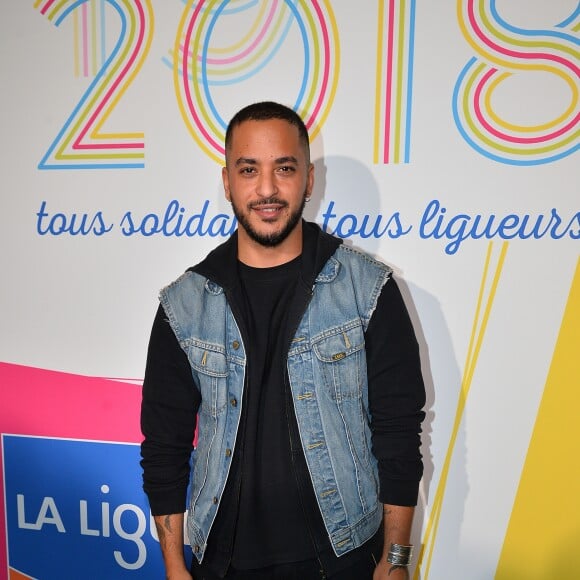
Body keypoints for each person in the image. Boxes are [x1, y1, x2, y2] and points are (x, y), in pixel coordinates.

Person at [140, 101, 426, 580]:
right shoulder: (183, 305)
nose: (267, 189)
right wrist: (174, 565)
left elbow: (398, 432)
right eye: (249, 169)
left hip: (345, 557)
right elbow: (164, 447)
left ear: (309, 179)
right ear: (228, 180)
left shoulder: (368, 290)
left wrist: (394, 561)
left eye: (284, 168)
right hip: (221, 563)